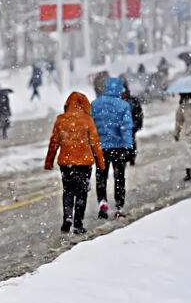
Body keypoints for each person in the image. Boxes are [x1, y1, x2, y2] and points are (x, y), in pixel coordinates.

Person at [45, 92, 105, 234]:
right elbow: (95, 144)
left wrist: (49, 161)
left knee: (68, 190)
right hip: (84, 163)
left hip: (66, 163)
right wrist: (101, 163)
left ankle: (68, 217)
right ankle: (78, 224)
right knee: (81, 192)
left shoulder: (61, 120)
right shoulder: (87, 121)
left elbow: (54, 142)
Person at [91, 77, 133, 219]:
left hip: (101, 148)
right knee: (119, 177)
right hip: (119, 147)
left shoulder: (95, 105)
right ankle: (119, 206)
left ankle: (102, 203)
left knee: (101, 177)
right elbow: (126, 128)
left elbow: (91, 127)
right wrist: (128, 146)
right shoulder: (123, 105)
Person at [120, 79, 143, 166]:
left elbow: (139, 113)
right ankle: (125, 157)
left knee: (131, 142)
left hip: (131, 126)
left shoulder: (133, 101)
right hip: (122, 127)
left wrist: (137, 124)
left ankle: (131, 157)